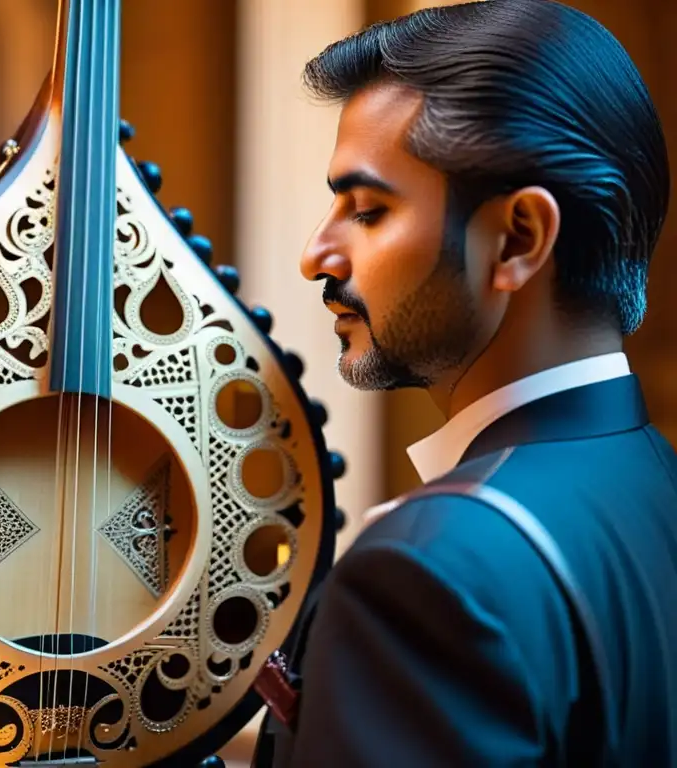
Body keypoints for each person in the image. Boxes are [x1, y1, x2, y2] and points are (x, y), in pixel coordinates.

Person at [256, 0, 677, 766]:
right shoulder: (658, 487)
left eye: (368, 209)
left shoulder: (424, 571)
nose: (317, 254)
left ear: (518, 237)